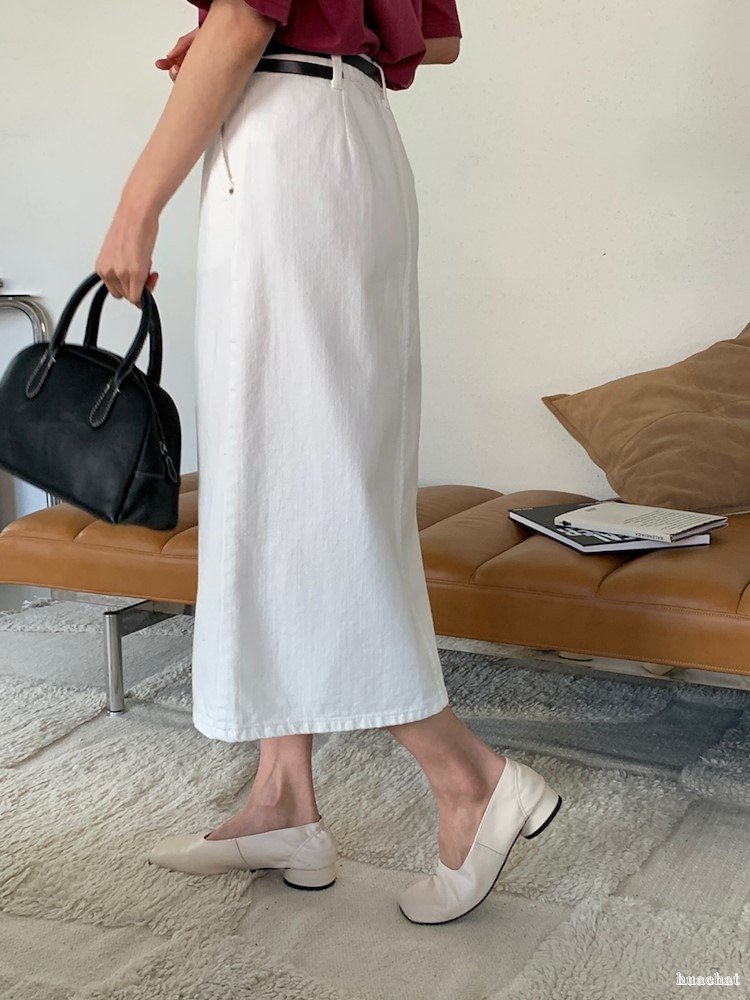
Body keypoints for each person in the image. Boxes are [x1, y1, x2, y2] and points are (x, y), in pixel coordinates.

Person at [95, 0, 562, 925]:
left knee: (300, 483)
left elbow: (244, 19)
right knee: (298, 473)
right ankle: (283, 802)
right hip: (350, 140)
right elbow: (437, 37)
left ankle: (469, 778)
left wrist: (134, 208)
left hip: (289, 148)